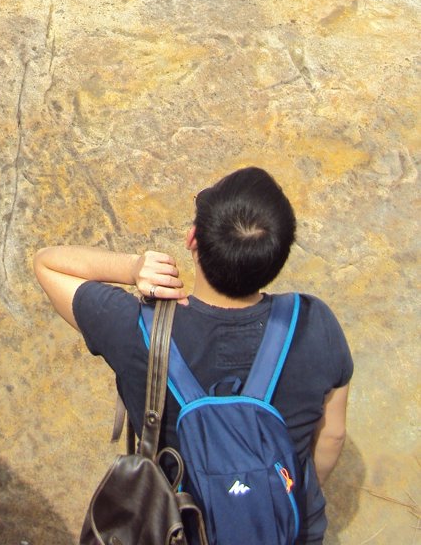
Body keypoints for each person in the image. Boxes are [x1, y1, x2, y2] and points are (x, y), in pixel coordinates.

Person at [34, 167, 352, 544]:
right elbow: (332, 435)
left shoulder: (137, 330)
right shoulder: (315, 324)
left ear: (192, 240)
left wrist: (132, 267)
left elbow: (47, 263)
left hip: (174, 529)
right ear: (278, 256)